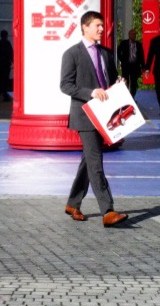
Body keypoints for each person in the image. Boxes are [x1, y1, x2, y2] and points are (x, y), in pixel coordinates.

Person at [59, 11, 128, 228]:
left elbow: (109, 79)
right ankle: (107, 210)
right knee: (96, 161)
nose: (101, 29)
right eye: (97, 25)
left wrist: (118, 82)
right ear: (85, 27)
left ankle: (73, 203)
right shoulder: (72, 54)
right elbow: (66, 85)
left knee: (88, 160)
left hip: (104, 115)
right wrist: (91, 92)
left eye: (102, 25)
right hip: (85, 116)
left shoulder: (106, 54)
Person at [116, 29, 145, 98]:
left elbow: (141, 56)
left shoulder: (138, 44)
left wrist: (143, 66)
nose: (133, 35)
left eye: (134, 34)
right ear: (129, 35)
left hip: (135, 66)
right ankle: (126, 97)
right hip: (126, 65)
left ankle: (132, 97)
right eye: (132, 34)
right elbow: (118, 51)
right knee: (125, 81)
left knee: (134, 83)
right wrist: (122, 59)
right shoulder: (124, 43)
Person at [0, 29, 14, 99]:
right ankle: (4, 94)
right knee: (5, 80)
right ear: (6, 35)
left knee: (0, 79)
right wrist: (13, 62)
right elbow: (11, 53)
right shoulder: (7, 43)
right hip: (6, 64)